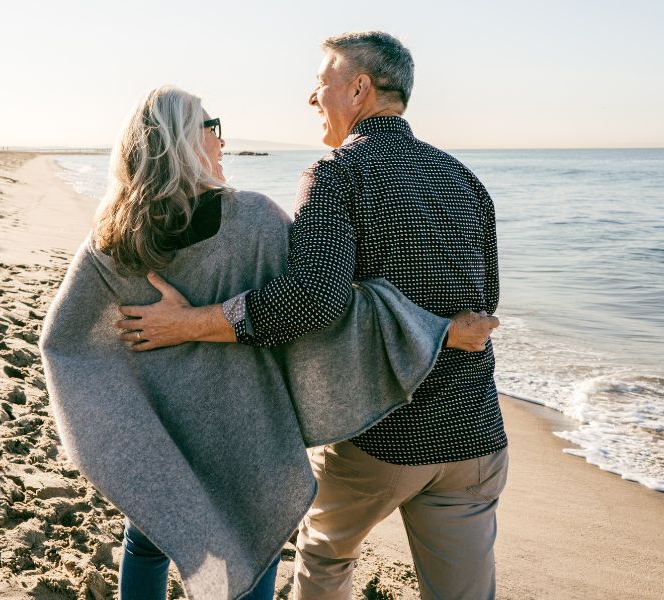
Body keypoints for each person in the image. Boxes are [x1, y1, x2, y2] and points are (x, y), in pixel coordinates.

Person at [39, 85, 493, 600]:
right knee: (254, 545)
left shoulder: (113, 235)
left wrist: (119, 413)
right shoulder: (252, 219)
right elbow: (322, 308)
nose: (223, 140)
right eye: (213, 128)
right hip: (248, 427)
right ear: (186, 141)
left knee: (147, 540)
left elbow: (65, 341)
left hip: (161, 426)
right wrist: (438, 329)